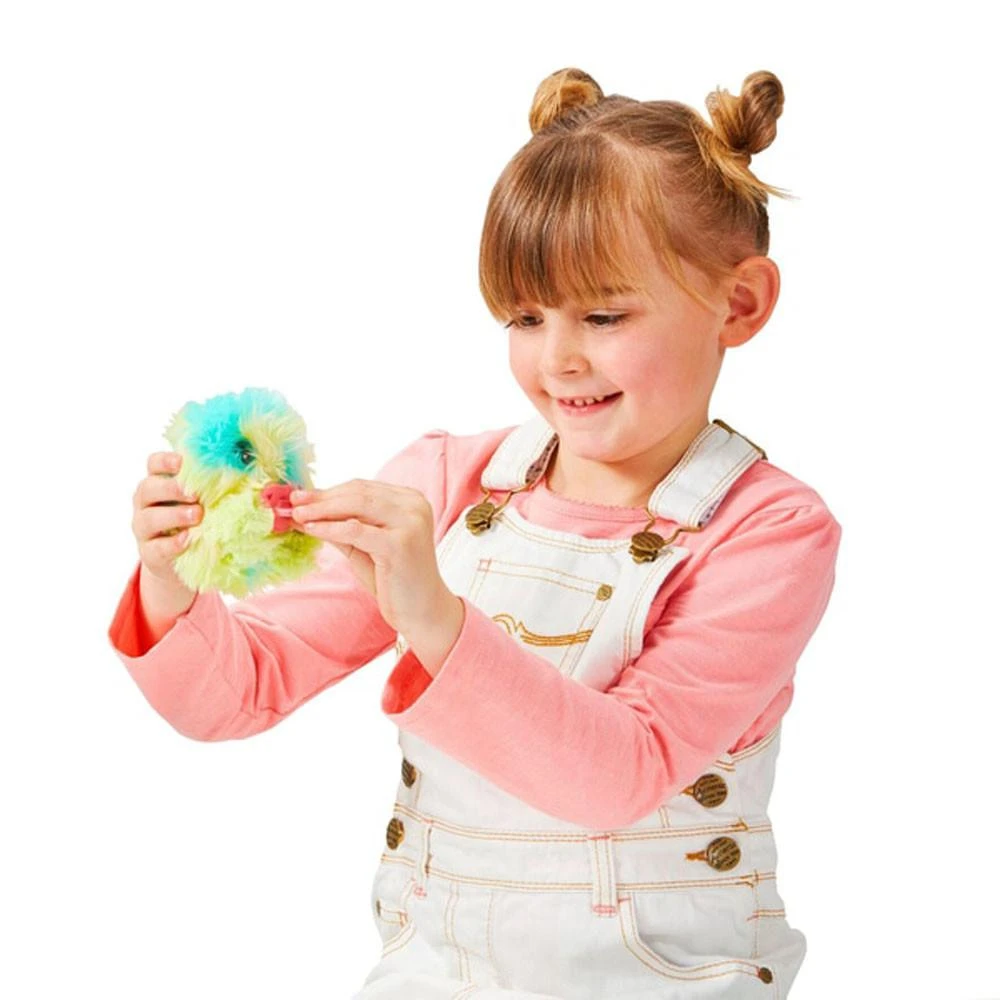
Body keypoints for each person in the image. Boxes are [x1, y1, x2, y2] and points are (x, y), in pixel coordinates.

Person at [108, 67, 842, 1000]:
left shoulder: (769, 532)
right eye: (525, 317)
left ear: (739, 303)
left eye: (603, 315)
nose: (557, 358)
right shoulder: (448, 484)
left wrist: (437, 618)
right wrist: (171, 580)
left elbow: (624, 773)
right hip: (434, 978)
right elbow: (238, 696)